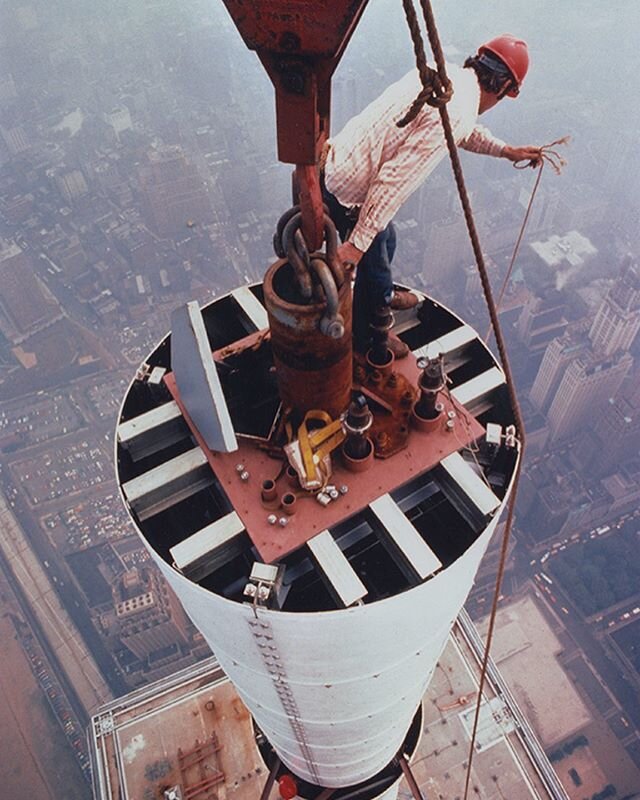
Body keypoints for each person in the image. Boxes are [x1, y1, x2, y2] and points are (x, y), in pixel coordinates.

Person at [321, 35, 542, 357]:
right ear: (506, 88)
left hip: (339, 161)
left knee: (388, 240)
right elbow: (395, 179)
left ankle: (379, 293)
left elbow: (462, 131)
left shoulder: (444, 78)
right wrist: (355, 245)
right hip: (348, 190)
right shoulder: (456, 108)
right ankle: (370, 336)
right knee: (376, 256)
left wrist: (505, 151)